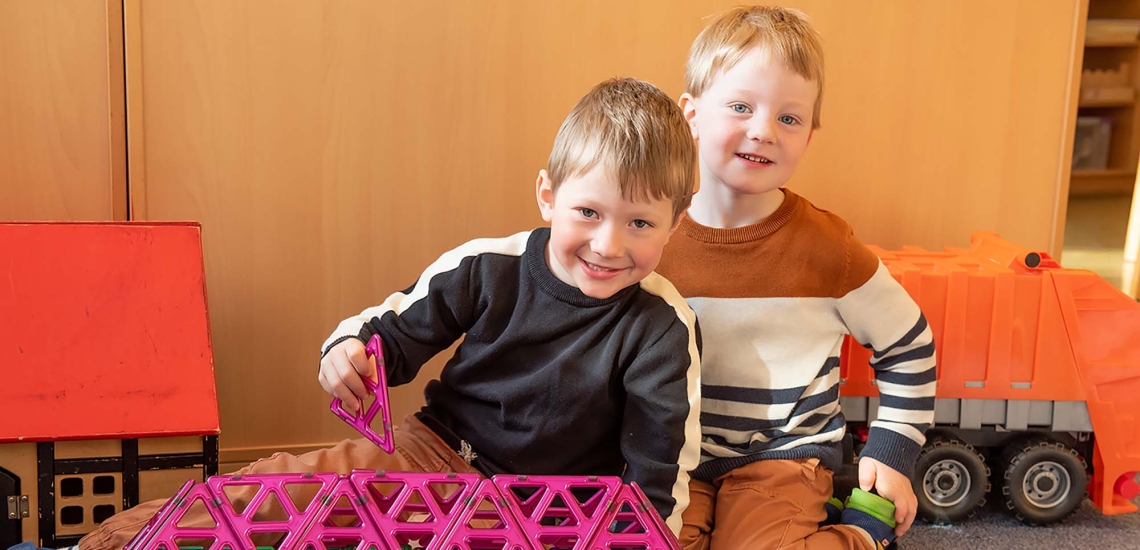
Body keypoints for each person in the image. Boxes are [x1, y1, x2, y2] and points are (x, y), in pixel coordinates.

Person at [78, 77, 702, 549]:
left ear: (674, 225)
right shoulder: (490, 266)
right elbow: (386, 338)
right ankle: (118, 542)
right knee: (273, 494)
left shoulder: (662, 326)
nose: (608, 245)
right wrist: (344, 355)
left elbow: (658, 470)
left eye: (640, 223)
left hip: (555, 509)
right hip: (433, 454)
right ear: (548, 195)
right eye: (588, 213)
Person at [655, 7, 937, 550]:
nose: (763, 131)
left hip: (785, 456)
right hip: (677, 455)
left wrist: (891, 451)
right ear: (690, 114)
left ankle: (860, 532)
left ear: (809, 135)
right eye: (740, 107)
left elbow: (909, 344)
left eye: (789, 118)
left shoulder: (829, 249)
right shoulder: (653, 237)